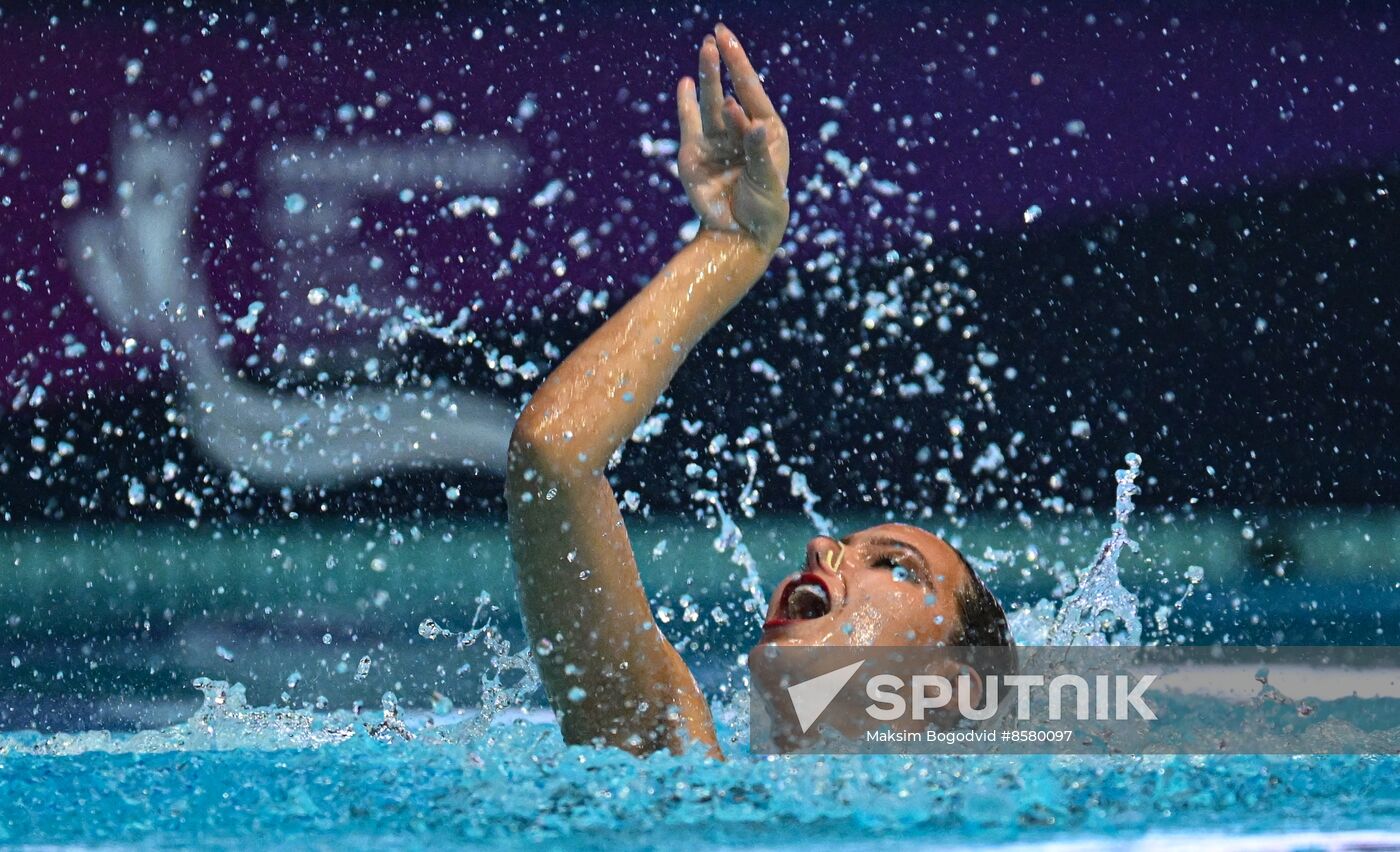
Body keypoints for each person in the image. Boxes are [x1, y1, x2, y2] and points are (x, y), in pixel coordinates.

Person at [506, 23, 1012, 757]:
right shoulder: (676, 768)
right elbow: (554, 460)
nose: (821, 547)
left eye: (895, 567)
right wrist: (730, 250)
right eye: (855, 545)